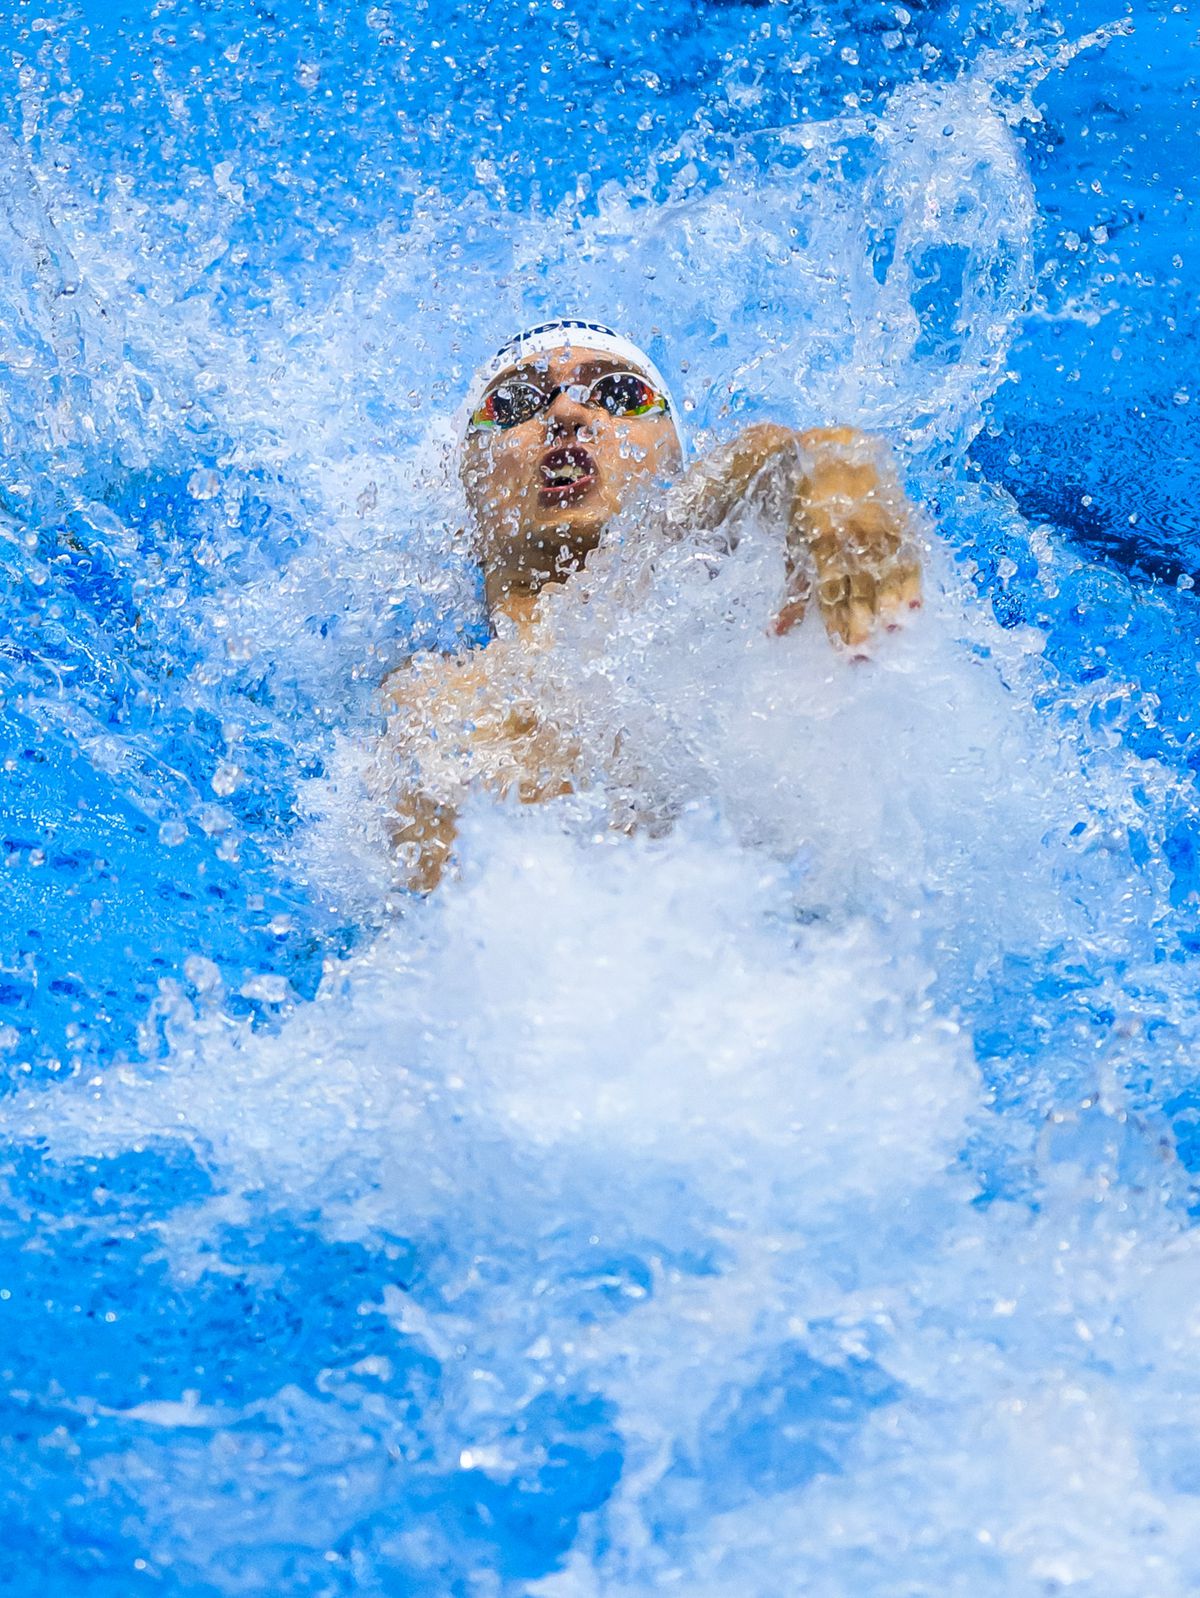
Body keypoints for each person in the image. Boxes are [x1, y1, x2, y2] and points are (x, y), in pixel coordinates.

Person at [376, 318, 922, 892]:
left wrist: (832, 470)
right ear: (462, 504)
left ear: (676, 466)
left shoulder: (719, 641)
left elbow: (761, 461)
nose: (565, 413)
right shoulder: (422, 695)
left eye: (617, 394)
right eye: (514, 403)